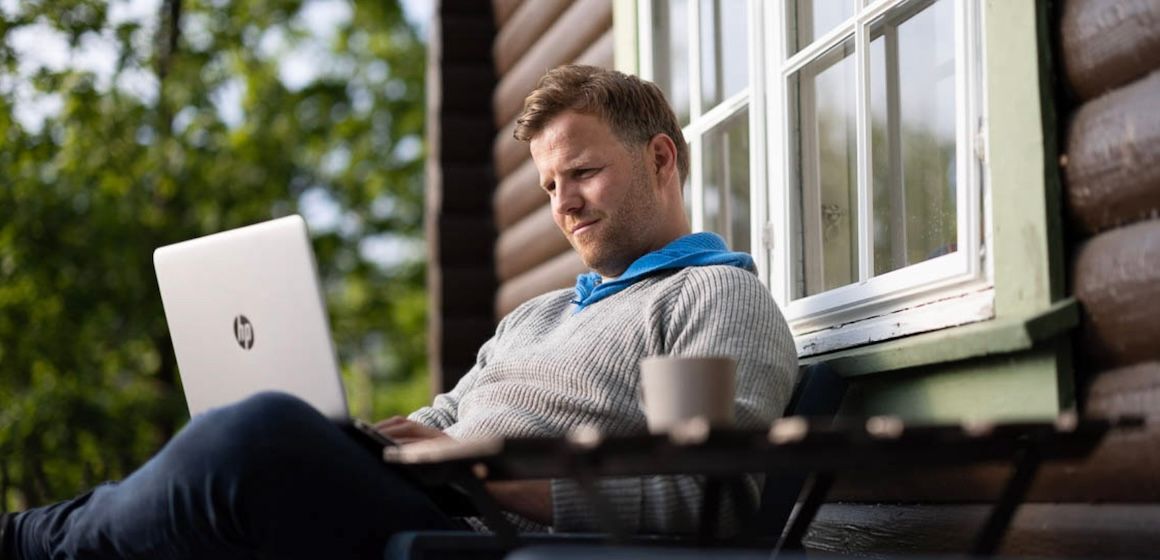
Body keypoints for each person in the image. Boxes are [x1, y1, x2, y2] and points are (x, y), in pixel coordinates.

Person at [0, 64, 796, 560]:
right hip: (423, 496)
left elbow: (706, 496)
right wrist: (376, 440)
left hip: (478, 531)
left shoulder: (716, 296)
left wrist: (481, 468)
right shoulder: (539, 316)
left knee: (256, 436)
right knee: (262, 442)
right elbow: (446, 412)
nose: (564, 204)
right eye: (550, 186)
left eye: (582, 172)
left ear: (660, 158)